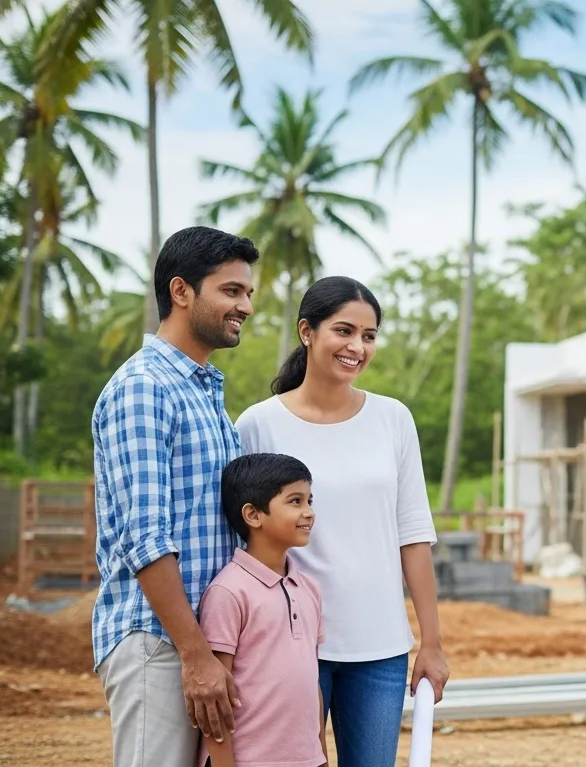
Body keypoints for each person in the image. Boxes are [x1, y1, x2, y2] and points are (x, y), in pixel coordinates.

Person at [233, 276, 449, 766]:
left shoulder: (393, 419)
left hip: (380, 649)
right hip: (288, 646)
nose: (357, 346)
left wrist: (431, 643)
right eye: (344, 331)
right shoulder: (258, 424)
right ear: (307, 332)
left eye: (369, 336)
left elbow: (413, 536)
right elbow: (244, 544)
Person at [91, 226, 259, 766]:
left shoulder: (205, 391)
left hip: (201, 644)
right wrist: (195, 655)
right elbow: (146, 539)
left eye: (248, 293)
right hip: (159, 643)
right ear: (182, 291)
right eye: (232, 291)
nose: (246, 306)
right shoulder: (145, 386)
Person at [198, 453, 326, 767]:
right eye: (295, 501)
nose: (309, 512)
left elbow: (313, 684)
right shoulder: (228, 592)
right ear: (253, 515)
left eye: (310, 500)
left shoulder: (310, 590)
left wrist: (321, 756)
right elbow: (216, 701)